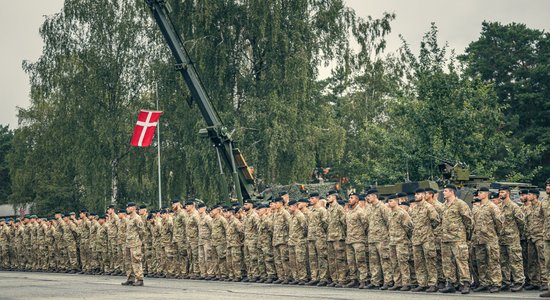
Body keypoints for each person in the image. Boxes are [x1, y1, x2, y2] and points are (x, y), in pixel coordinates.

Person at [439, 184, 473, 294]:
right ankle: (451, 283)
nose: (443, 193)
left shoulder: (460, 204)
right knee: (447, 262)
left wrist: (464, 234)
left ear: (451, 192)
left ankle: (465, 283)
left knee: (461, 260)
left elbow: (468, 221)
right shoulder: (443, 206)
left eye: (445, 191)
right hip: (445, 238)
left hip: (458, 238)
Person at [472, 187, 503, 293]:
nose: (479, 194)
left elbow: (499, 222)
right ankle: (484, 282)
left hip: (490, 238)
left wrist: (495, 233)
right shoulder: (479, 207)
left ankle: (496, 283)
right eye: (479, 193)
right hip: (479, 239)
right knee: (481, 261)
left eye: (481, 193)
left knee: (493, 261)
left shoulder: (492, 206)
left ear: (486, 194)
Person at [410, 188, 440, 292]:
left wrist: (428, 230)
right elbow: (411, 224)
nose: (415, 196)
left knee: (430, 261)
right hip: (416, 239)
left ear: (423, 195)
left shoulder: (429, 207)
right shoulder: (414, 209)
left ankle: (432, 283)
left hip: (427, 238)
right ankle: (422, 283)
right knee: (418, 262)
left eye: (418, 194)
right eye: (415, 194)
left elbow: (436, 221)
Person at [497, 185, 526, 292]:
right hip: (502, 239)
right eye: (500, 192)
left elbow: (522, 222)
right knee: (503, 262)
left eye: (503, 192)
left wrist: (517, 233)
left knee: (515, 261)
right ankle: (506, 281)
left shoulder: (514, 207)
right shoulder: (499, 207)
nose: (500, 194)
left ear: (508, 193)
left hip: (512, 238)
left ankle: (519, 282)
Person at [121, 202, 145, 286]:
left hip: (135, 243)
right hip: (128, 243)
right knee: (128, 261)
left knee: (136, 260)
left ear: (133, 208)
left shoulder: (137, 218)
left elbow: (142, 231)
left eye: (128, 207)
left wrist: (139, 241)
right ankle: (130, 278)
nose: (127, 209)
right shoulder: (128, 218)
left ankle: (139, 279)